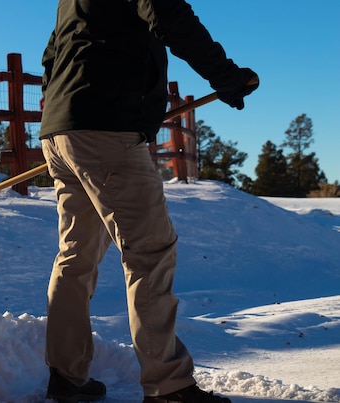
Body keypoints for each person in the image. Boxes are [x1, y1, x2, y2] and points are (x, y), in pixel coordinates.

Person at [39, 1, 259, 402]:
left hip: (61, 129)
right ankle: (169, 386)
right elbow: (169, 15)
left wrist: (62, 111)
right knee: (149, 252)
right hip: (109, 127)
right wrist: (226, 76)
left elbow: (53, 51)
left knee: (76, 255)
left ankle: (67, 376)